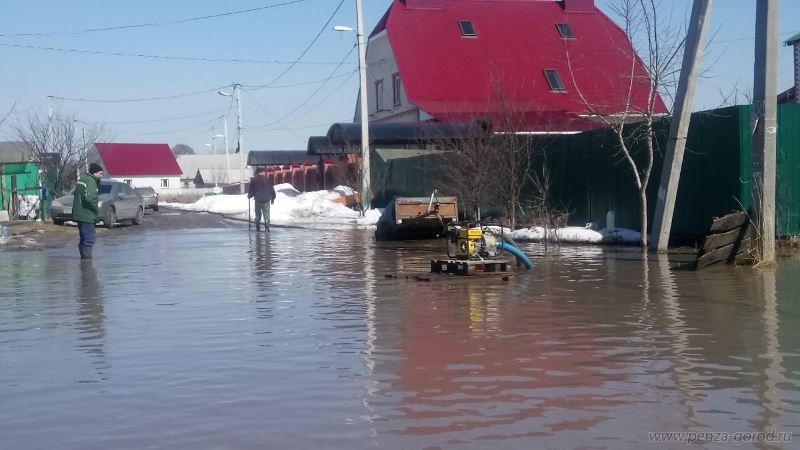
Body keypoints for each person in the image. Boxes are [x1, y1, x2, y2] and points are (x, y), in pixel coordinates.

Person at [73, 163, 103, 259]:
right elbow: (90, 199)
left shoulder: (83, 180)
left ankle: (84, 260)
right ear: (95, 173)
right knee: (89, 238)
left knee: (84, 237)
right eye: (100, 173)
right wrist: (95, 210)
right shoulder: (91, 181)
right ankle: (87, 261)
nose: (101, 176)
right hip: (87, 214)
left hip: (79, 214)